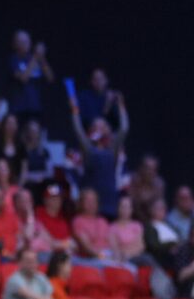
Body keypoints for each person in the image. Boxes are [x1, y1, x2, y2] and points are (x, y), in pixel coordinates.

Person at [69, 90, 128, 219]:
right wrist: (74, 108)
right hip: (91, 201)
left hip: (110, 201)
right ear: (91, 130)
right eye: (96, 127)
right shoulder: (88, 149)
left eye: (102, 127)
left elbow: (123, 129)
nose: (99, 130)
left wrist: (121, 106)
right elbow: (78, 129)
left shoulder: (112, 149)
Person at [8, 30, 53, 123]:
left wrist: (42, 58)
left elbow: (50, 78)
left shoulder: (34, 58)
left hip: (36, 107)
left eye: (28, 41)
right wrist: (35, 57)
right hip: (20, 108)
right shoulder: (13, 59)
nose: (27, 44)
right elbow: (23, 78)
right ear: (16, 44)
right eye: (23, 42)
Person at [71, 188, 111, 260]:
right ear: (81, 203)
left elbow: (111, 242)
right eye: (87, 200)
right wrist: (104, 256)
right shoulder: (78, 221)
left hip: (108, 255)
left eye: (93, 200)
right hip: (88, 259)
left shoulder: (103, 221)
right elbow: (87, 248)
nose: (91, 203)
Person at [35, 184, 73, 252]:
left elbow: (69, 242)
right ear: (45, 200)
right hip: (43, 253)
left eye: (59, 198)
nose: (56, 201)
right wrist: (65, 244)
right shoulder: (38, 214)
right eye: (53, 198)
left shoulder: (63, 218)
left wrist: (65, 244)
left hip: (60, 255)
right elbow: (49, 242)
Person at [128, 155, 165, 222]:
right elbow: (132, 205)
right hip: (133, 222)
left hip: (153, 222)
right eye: (148, 168)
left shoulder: (159, 185)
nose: (150, 172)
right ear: (141, 168)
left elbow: (159, 208)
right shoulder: (133, 181)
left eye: (153, 169)